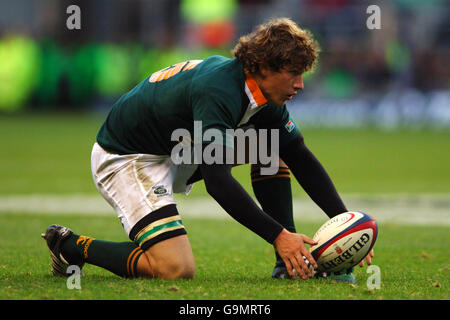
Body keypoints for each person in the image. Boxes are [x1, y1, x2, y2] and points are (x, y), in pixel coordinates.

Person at [42, 17, 373, 282]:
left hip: (176, 149)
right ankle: (72, 246)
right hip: (127, 158)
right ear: (264, 67)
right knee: (175, 269)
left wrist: (345, 222)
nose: (300, 85)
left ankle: (287, 267)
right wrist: (279, 235)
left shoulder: (260, 92)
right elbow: (218, 182)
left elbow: (300, 155)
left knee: (274, 147)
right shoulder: (219, 91)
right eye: (294, 74)